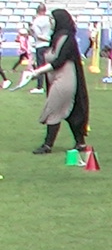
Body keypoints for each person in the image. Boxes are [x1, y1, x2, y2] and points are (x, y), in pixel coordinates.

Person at [19, 8, 88, 155]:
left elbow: (59, 61)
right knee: (71, 112)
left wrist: (36, 72)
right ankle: (80, 143)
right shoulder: (57, 37)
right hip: (57, 78)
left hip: (65, 79)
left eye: (52, 19)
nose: (50, 22)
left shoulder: (66, 38)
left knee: (53, 109)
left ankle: (48, 145)